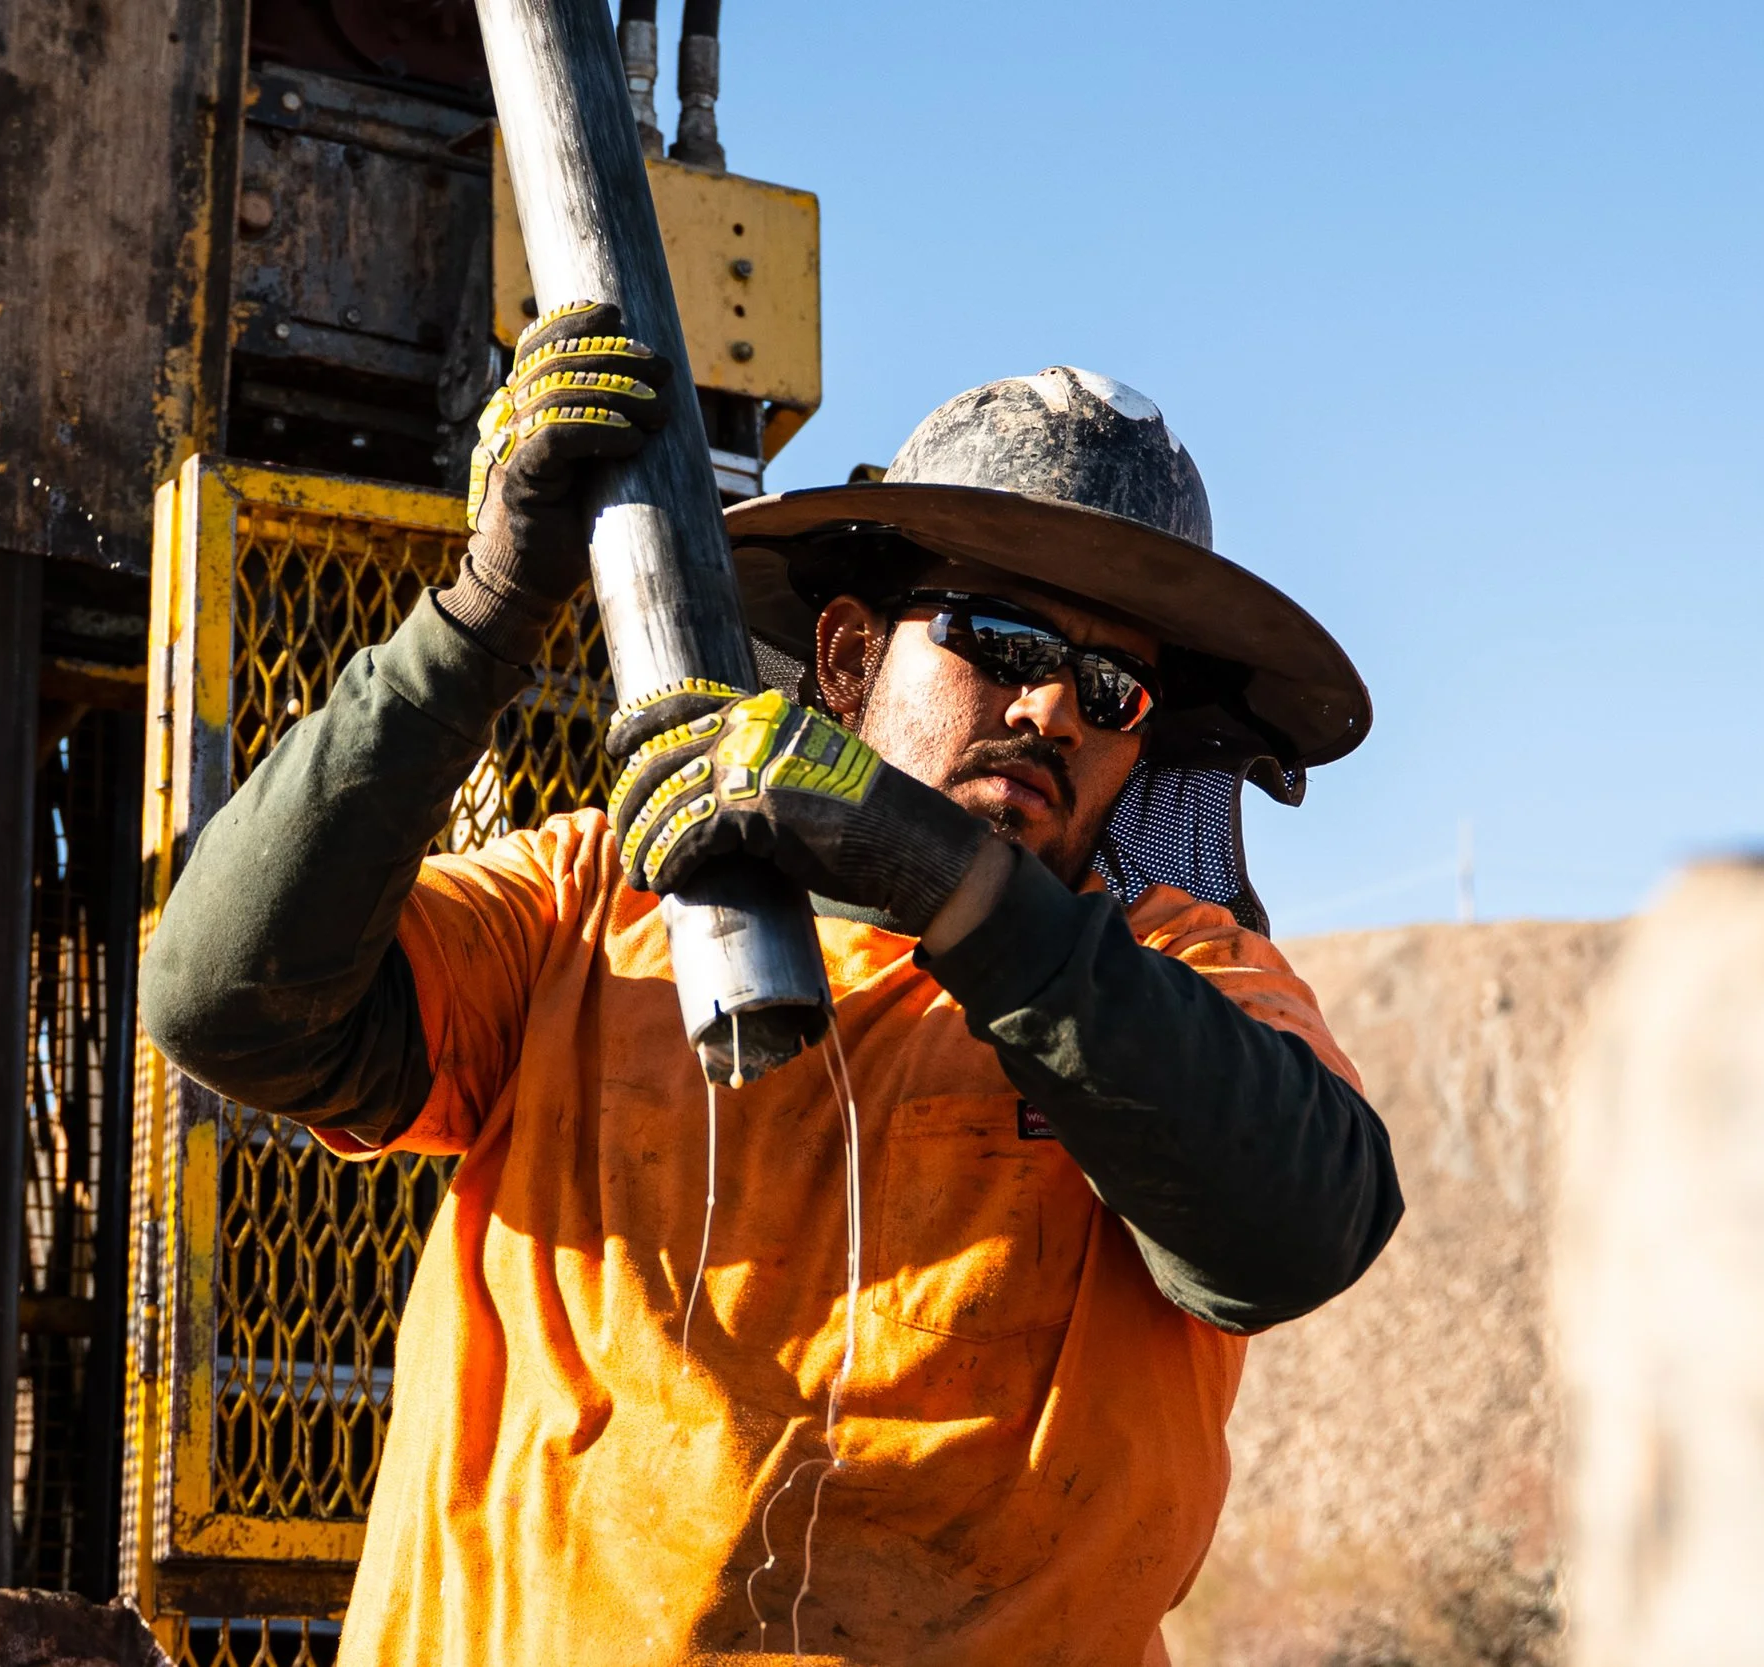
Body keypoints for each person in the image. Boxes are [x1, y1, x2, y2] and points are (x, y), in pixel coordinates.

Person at [140, 302, 1403, 1666]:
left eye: (1111, 686)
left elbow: (1300, 1227)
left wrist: (953, 884)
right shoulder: (587, 906)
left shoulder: (1178, 975)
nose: (1052, 711)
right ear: (853, 657)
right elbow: (227, 1000)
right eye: (1002, 639)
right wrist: (482, 612)